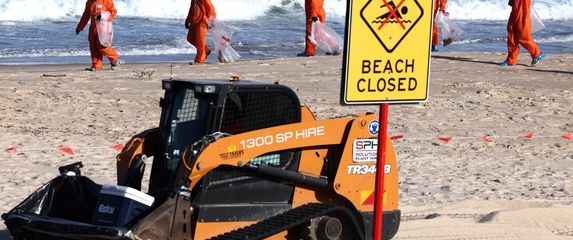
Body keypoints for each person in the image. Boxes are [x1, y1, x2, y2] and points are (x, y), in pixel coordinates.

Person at [76, 0, 120, 71]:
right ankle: (96, 66)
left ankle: (114, 58)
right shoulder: (89, 2)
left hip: (103, 28)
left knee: (102, 46)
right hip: (93, 28)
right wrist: (80, 27)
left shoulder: (106, 1)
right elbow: (86, 15)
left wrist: (102, 16)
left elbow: (113, 12)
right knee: (93, 46)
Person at [499, 0, 545, 66]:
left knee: (523, 35)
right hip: (515, 9)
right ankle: (511, 59)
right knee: (512, 34)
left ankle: (537, 53)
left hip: (522, 9)